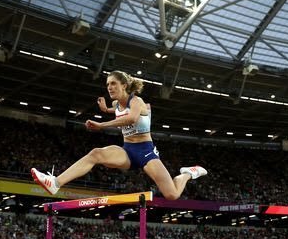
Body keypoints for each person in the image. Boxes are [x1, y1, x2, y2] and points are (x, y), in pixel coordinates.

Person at [31, 70, 207, 200]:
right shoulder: (116, 103)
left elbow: (130, 118)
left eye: (113, 83)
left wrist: (102, 125)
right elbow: (114, 109)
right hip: (128, 150)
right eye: (107, 84)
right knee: (95, 153)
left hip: (146, 152)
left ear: (124, 85)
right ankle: (55, 183)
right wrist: (105, 109)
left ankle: (187, 174)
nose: (109, 87)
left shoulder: (137, 101)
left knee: (172, 194)